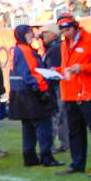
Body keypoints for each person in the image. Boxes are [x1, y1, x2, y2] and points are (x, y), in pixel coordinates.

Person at [53, 14, 91, 177]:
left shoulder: (89, 40)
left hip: (87, 95)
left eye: (67, 30)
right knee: (75, 132)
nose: (65, 33)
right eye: (62, 30)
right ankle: (77, 164)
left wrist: (83, 68)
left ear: (75, 27)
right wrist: (56, 71)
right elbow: (67, 66)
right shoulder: (65, 44)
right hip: (70, 94)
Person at [7, 25, 62, 167]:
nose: (32, 36)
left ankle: (30, 157)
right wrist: (43, 90)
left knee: (28, 128)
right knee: (43, 125)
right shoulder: (24, 50)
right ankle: (46, 157)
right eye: (29, 33)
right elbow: (32, 72)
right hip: (30, 93)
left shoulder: (15, 50)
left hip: (19, 93)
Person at [39, 23, 68, 154]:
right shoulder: (55, 47)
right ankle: (65, 143)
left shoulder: (55, 48)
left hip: (57, 87)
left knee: (55, 116)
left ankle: (50, 146)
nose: (42, 36)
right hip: (59, 87)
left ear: (53, 34)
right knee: (62, 117)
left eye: (45, 33)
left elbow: (57, 70)